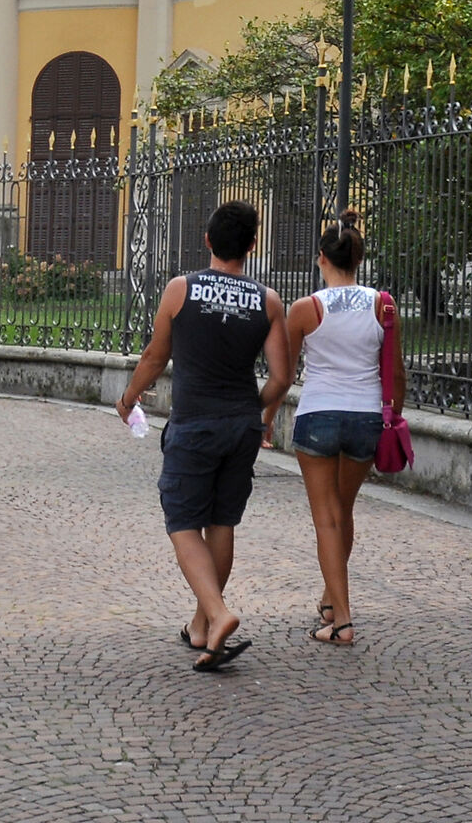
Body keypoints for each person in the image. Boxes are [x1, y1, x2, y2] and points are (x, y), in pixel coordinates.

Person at [115, 199, 294, 670]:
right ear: (252, 247)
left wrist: (130, 397)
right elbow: (281, 377)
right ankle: (202, 626)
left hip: (194, 423)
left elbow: (156, 355)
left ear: (208, 240)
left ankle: (218, 612)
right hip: (240, 426)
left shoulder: (181, 290)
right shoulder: (269, 301)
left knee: (181, 520)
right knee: (222, 521)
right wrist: (254, 411)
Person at [285, 208, 399, 646]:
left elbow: (285, 370)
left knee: (326, 519)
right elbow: (397, 371)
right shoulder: (382, 304)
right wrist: (392, 418)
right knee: (343, 511)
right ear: (359, 259)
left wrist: (264, 415)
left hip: (318, 415)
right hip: (367, 417)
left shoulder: (305, 309)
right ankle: (331, 601)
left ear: (321, 259)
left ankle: (344, 620)